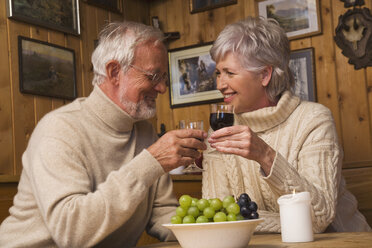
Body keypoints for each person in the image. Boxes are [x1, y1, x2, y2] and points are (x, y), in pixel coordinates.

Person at [0, 21, 207, 247]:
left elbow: (163, 214)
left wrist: (213, 229)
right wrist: (152, 161)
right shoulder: (59, 129)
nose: (162, 88)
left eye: (164, 78)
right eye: (153, 76)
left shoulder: (144, 132)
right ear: (115, 72)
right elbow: (73, 233)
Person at [202, 17, 371, 233]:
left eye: (229, 73)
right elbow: (217, 220)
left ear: (264, 75)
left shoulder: (313, 119)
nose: (220, 84)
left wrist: (265, 156)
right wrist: (278, 220)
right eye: (218, 73)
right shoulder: (220, 130)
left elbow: (318, 217)